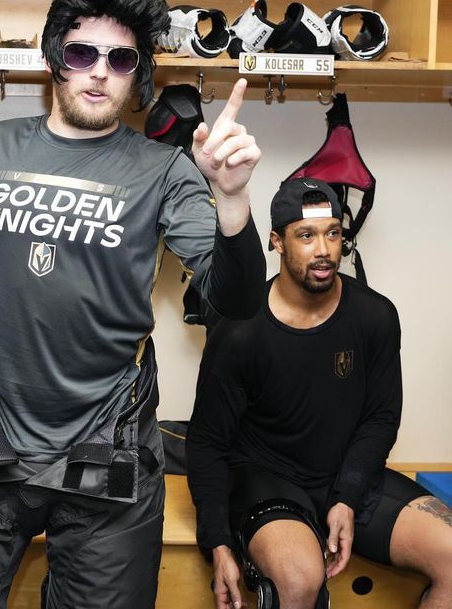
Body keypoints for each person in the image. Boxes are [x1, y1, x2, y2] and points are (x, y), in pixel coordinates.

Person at [0, 0, 266, 609]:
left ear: (138, 74)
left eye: (121, 59)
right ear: (56, 54)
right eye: (84, 52)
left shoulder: (166, 171)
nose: (99, 72)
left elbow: (239, 301)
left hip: (105, 450)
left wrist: (232, 202)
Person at [186, 177, 452, 609]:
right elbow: (207, 443)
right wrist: (217, 543)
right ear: (276, 241)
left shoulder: (375, 316)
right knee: (298, 580)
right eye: (306, 236)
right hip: (266, 478)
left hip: (345, 477)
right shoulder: (239, 329)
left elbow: (380, 418)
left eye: (333, 233)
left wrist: (347, 497)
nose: (324, 250)